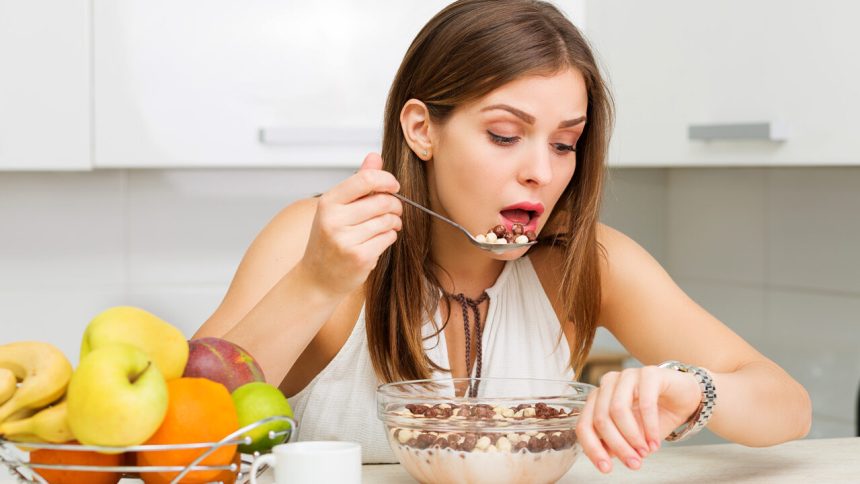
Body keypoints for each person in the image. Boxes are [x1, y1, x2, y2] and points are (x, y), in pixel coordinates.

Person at [194, 0, 811, 472]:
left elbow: (787, 405)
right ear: (421, 130)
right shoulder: (318, 240)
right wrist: (315, 282)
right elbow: (175, 434)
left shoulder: (586, 262)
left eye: (565, 143)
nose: (541, 172)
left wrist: (693, 390)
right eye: (505, 135)